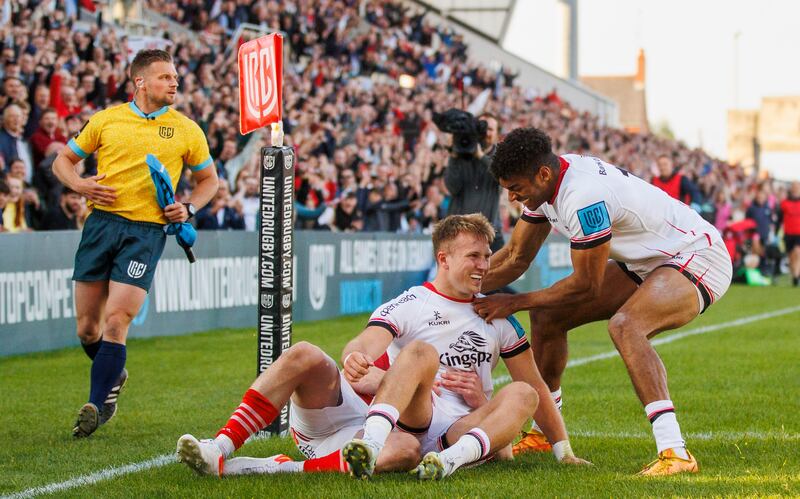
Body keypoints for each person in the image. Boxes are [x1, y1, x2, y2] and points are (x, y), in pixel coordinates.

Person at [473, 128, 732, 476]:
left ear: (543, 174)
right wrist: (451, 290)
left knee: (627, 326)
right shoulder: (549, 184)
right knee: (548, 315)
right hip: (650, 257)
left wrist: (514, 302)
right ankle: (544, 432)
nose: (514, 198)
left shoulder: (583, 197)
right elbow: (516, 257)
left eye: (516, 188)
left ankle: (675, 452)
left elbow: (586, 286)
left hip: (697, 254)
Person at [340, 214, 588, 480]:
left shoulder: (497, 315)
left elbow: (537, 385)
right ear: (443, 259)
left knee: (526, 393)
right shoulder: (412, 302)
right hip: (414, 420)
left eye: (487, 256)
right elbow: (367, 340)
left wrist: (564, 452)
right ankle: (372, 445)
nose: (483, 265)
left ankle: (447, 462)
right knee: (420, 352)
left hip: (463, 430)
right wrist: (356, 355)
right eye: (473, 256)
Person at [52, 49, 218, 438]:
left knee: (116, 320)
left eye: (175, 77)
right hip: (100, 226)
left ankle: (96, 404)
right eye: (165, 77)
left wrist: (189, 207)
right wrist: (79, 184)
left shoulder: (187, 129)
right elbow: (63, 161)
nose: (174, 82)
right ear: (140, 81)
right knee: (87, 329)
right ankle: (114, 374)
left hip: (146, 232)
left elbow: (209, 180)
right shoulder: (106, 120)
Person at [175, 343, 420, 478]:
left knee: (407, 449)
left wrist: (400, 385)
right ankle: (218, 447)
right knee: (305, 353)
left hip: (389, 435)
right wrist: (365, 368)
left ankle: (281, 468)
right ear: (443, 260)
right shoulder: (410, 308)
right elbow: (355, 366)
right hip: (344, 408)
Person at [779, 181, 800, 286]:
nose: (795, 188)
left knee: (797, 252)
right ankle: (794, 276)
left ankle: (796, 276)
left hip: (799, 233)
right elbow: (779, 218)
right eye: (794, 187)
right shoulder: (784, 203)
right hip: (788, 233)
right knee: (791, 257)